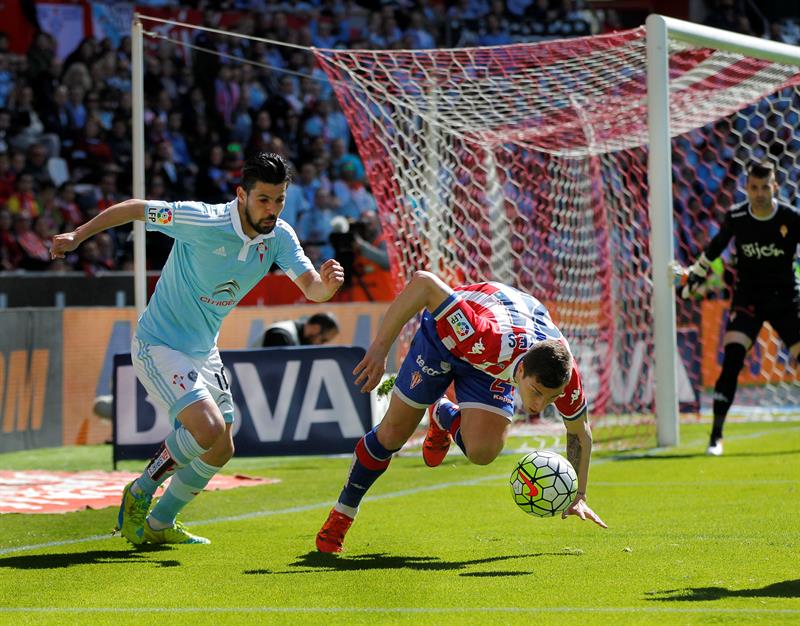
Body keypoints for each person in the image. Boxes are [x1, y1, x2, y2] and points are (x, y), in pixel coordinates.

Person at [51, 152, 344, 545]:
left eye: (279, 200)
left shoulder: (280, 238)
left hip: (204, 349)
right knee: (207, 428)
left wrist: (328, 286)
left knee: (221, 447)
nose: (272, 209)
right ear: (241, 194)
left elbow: (312, 288)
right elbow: (135, 208)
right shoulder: (202, 219)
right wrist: (78, 235)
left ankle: (160, 523)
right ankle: (139, 491)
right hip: (159, 343)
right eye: (263, 199)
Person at [315, 271, 607, 553]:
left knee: (483, 451)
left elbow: (579, 432)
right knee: (392, 435)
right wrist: (380, 349)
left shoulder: (566, 376)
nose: (540, 406)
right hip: (444, 341)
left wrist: (579, 495)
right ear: (521, 371)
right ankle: (343, 513)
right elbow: (424, 283)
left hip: (491, 360)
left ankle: (442, 413)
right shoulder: (485, 335)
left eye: (551, 398)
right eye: (537, 393)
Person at [673, 160, 800, 456]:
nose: (759, 193)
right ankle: (716, 436)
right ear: (746, 188)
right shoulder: (737, 216)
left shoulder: (790, 217)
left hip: (785, 299)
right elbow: (714, 248)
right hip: (748, 300)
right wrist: (694, 275)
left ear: (775, 187)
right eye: (754, 187)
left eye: (765, 187)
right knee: (732, 359)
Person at [255, 311, 340, 347]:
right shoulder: (280, 335)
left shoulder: (297, 337)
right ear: (316, 328)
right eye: (323, 340)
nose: (321, 345)